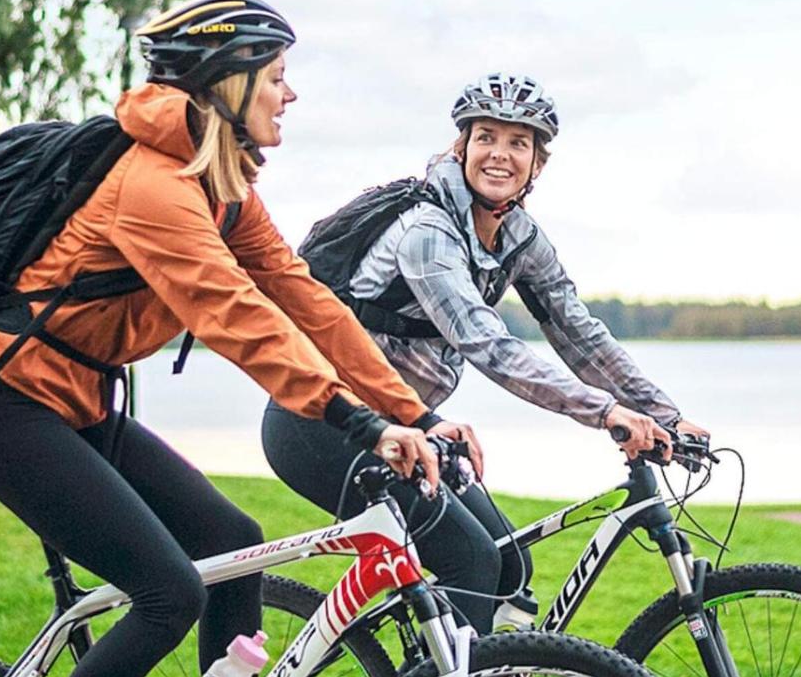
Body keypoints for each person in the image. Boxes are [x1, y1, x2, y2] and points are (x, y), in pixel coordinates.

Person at [0, 0, 474, 677]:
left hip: (79, 405)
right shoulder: (152, 186)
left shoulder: (222, 189)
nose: (290, 94)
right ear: (227, 82)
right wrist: (359, 424)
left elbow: (307, 300)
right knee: (168, 593)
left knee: (234, 543)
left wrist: (413, 412)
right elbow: (235, 317)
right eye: (277, 77)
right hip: (5, 410)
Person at [263, 70, 709, 646]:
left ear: (537, 164)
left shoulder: (519, 237)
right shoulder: (426, 232)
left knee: (508, 566)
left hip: (409, 429)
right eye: (486, 137)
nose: (500, 154)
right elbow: (486, 344)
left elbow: (579, 333)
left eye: (518, 142)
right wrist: (604, 413)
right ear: (462, 147)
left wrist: (664, 414)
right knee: (471, 560)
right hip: (322, 426)